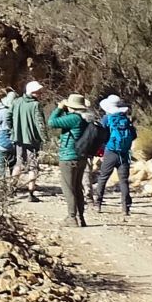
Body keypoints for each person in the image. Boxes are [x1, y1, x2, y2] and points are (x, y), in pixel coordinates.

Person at [50, 93, 96, 226]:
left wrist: (59, 109)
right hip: (81, 157)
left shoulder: (74, 118)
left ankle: (71, 217)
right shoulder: (86, 118)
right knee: (77, 187)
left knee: (68, 188)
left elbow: (52, 122)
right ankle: (81, 217)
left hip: (68, 157)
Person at [90, 94, 138, 217]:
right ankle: (125, 207)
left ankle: (98, 203)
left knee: (103, 177)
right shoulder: (125, 119)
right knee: (124, 181)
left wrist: (100, 150)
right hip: (124, 153)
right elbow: (134, 135)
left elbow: (100, 135)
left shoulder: (106, 118)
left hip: (110, 151)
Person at [8, 81, 49, 200]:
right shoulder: (36, 105)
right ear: (32, 92)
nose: (40, 94)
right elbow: (40, 123)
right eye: (38, 92)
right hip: (32, 140)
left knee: (18, 163)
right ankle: (31, 192)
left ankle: (12, 188)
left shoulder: (16, 102)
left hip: (18, 138)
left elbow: (8, 117)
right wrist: (45, 139)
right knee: (33, 165)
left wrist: (13, 130)